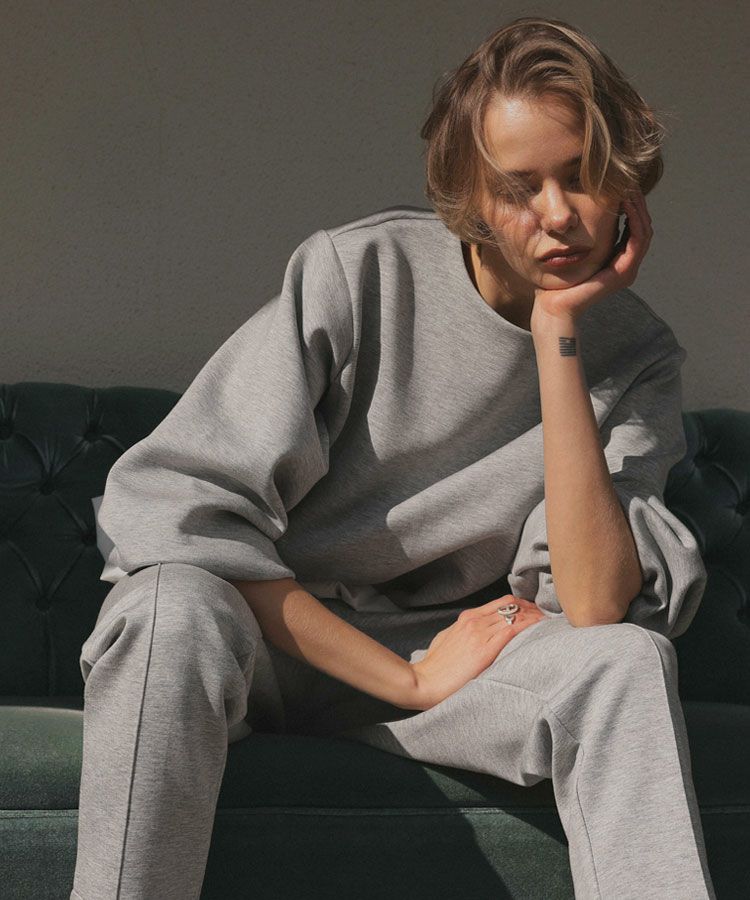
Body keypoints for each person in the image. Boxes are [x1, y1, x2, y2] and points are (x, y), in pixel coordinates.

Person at [71, 15, 716, 900]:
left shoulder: (637, 357)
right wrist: (402, 679)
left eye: (582, 174)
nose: (559, 213)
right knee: (167, 608)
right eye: (519, 187)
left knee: (626, 661)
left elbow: (596, 602)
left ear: (626, 183)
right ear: (472, 201)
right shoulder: (361, 272)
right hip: (269, 646)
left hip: (463, 664)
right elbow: (172, 508)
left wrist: (559, 334)